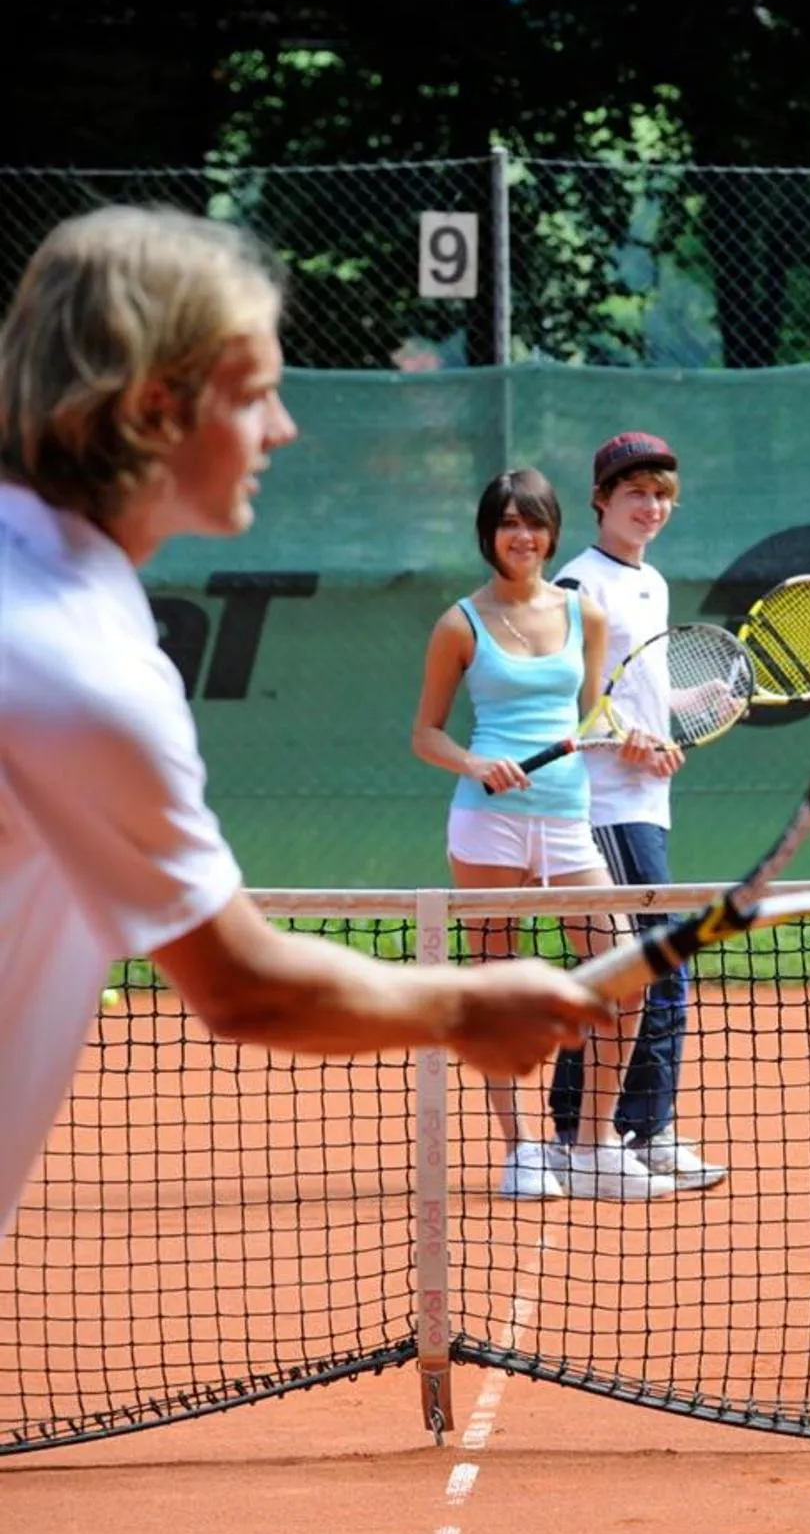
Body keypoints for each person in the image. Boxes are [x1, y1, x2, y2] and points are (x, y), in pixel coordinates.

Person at [0, 204, 608, 1245]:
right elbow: (245, 987)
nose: (282, 428)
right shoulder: (72, 663)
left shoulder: (56, 603)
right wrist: (463, 1007)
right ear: (155, 406)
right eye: (256, 395)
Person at [411, 466, 674, 1202]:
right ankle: (522, 1150)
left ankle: (591, 1146)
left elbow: (598, 714)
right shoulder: (458, 623)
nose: (521, 537)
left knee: (624, 974)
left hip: (567, 820)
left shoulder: (582, 613)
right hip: (486, 823)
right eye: (507, 524)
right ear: (488, 535)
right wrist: (475, 762)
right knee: (500, 992)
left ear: (552, 532)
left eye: (533, 524)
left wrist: (639, 742)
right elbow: (425, 734)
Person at [543, 431, 727, 1189]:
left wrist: (697, 701)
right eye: (635, 494)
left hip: (648, 801)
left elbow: (638, 691)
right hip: (603, 803)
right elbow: (567, 700)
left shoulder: (650, 584)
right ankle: (629, 1132)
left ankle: (586, 1131)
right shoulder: (577, 586)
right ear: (600, 500)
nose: (650, 508)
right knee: (654, 970)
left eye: (660, 497)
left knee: (621, 972)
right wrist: (626, 744)